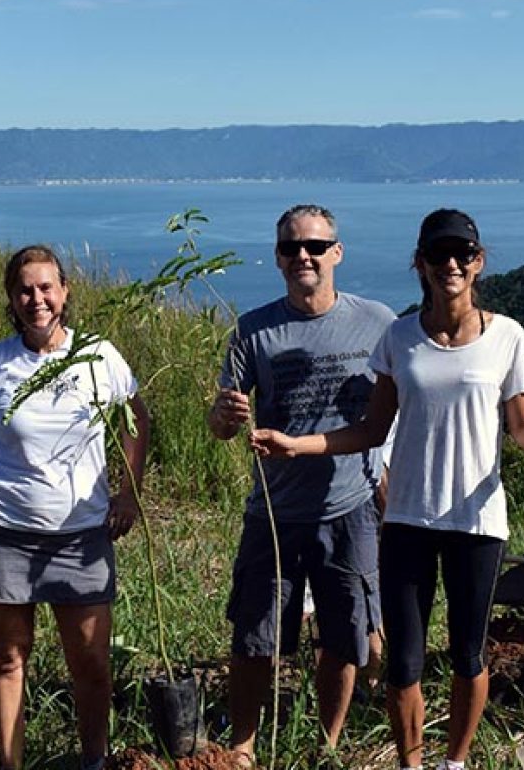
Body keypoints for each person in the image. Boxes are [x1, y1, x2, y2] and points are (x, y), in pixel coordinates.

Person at [252, 209, 524, 770]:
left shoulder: (507, 336)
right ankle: (412, 764)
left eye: (462, 254)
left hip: (476, 523)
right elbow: (372, 430)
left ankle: (452, 763)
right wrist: (296, 444)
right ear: (420, 264)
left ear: (477, 263)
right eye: (437, 255)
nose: (449, 264)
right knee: (404, 661)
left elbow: (521, 426)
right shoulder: (399, 338)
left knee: (467, 654)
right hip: (406, 518)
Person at [0, 245, 150, 770]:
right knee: (7, 659)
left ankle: (94, 761)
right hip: (4, 531)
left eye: (47, 287)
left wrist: (129, 491)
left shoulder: (98, 356)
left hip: (81, 536)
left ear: (65, 292)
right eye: (25, 289)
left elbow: (137, 413)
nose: (37, 299)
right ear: (11, 298)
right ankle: (9, 764)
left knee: (90, 663)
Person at [209, 204, 394, 763]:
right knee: (255, 637)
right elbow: (220, 426)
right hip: (274, 510)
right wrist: (224, 417)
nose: (303, 256)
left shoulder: (378, 322)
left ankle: (327, 745)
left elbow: (393, 413)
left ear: (337, 251)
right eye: (291, 248)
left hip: (350, 507)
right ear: (277, 258)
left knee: (343, 639)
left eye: (315, 246)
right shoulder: (253, 330)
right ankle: (242, 747)